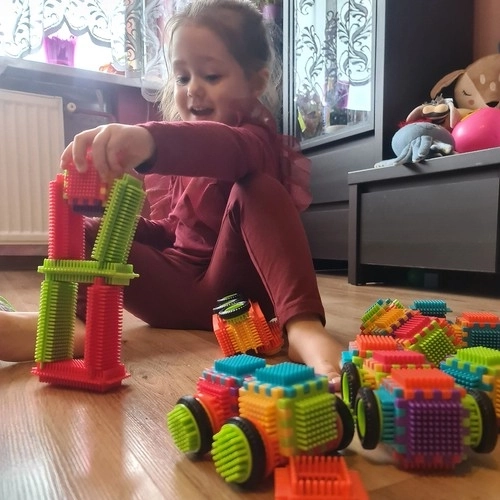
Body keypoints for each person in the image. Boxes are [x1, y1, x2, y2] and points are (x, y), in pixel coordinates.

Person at [0, 0, 343, 386]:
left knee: (259, 188)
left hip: (236, 298)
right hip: (176, 292)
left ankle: (303, 327)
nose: (193, 89)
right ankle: (78, 327)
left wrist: (147, 140)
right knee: (85, 232)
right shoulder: (181, 166)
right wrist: (118, 226)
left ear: (256, 83)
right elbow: (173, 232)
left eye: (211, 75)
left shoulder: (255, 141)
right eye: (181, 78)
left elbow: (222, 148)